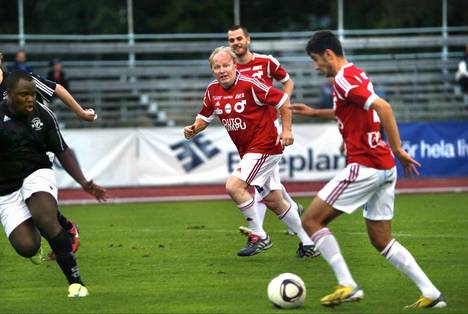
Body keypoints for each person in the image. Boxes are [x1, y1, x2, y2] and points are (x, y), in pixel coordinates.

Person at [292, 30, 446, 309]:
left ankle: (347, 284)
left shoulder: (343, 79)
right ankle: (431, 293)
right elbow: (354, 110)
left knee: (310, 221)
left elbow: (383, 108)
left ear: (329, 54)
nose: (316, 67)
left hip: (366, 166)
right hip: (384, 168)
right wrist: (316, 113)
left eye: (316, 60)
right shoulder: (355, 74)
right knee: (381, 239)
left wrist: (398, 149)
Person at [184, 47, 313, 257]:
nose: (222, 70)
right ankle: (309, 243)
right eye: (217, 67)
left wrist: (287, 130)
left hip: (266, 146)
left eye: (226, 65)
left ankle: (259, 235)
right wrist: (194, 128)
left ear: (235, 65)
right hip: (250, 151)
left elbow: (282, 101)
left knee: (234, 186)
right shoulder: (212, 90)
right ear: (212, 70)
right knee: (273, 200)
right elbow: (205, 117)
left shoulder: (250, 84)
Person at [0, 70, 107, 296]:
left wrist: (84, 182)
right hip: (5, 189)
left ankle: (76, 283)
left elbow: (62, 150)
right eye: (24, 95)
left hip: (36, 171)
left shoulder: (43, 115)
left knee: (45, 218)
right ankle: (39, 223)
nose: (30, 99)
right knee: (27, 247)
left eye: (33, 94)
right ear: (9, 95)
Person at [227, 26, 317, 255]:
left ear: (248, 39)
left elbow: (287, 81)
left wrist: (282, 105)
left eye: (239, 38)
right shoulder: (231, 68)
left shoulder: (266, 62)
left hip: (268, 134)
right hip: (251, 135)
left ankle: (259, 236)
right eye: (231, 40)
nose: (236, 42)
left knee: (250, 187)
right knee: (271, 194)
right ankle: (306, 239)